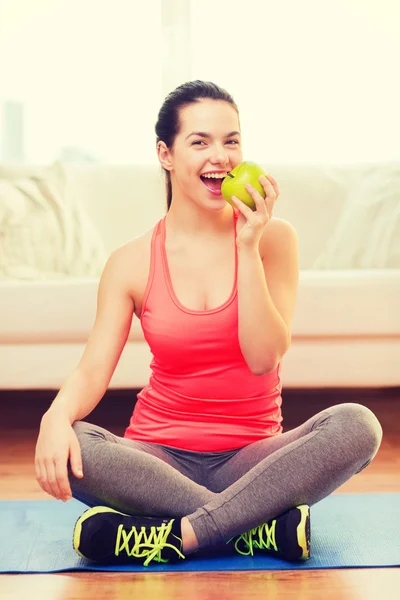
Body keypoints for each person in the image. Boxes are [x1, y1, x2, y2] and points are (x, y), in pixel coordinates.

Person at [35, 80, 383, 568]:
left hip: (256, 461)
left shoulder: (273, 240)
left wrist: (247, 245)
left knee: (357, 425)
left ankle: (177, 532)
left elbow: (263, 357)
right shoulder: (130, 261)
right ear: (166, 154)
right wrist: (54, 419)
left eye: (231, 140)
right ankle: (257, 528)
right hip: (158, 458)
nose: (220, 156)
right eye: (200, 142)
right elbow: (93, 371)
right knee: (80, 446)